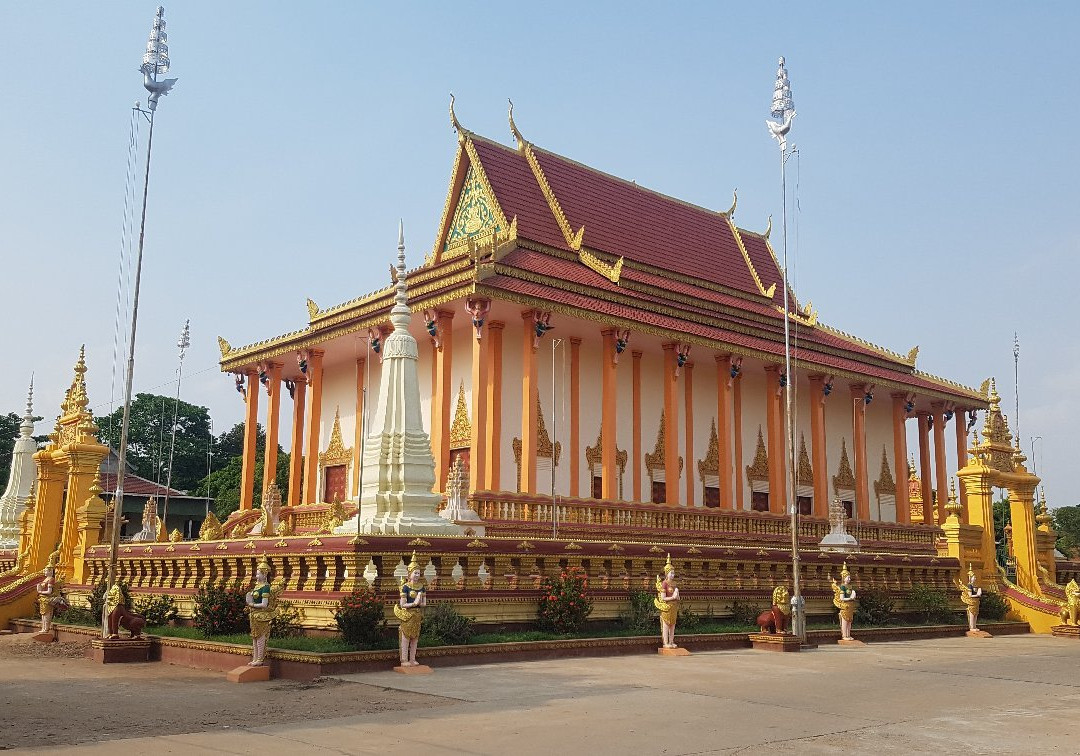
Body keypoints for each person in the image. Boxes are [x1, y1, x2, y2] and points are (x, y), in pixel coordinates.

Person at [245, 555, 281, 666]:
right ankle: (255, 658)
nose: (256, 576)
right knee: (254, 637)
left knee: (260, 637)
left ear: (265, 574)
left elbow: (264, 604)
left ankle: (260, 659)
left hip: (261, 615)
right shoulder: (257, 587)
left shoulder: (266, 587)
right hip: (254, 615)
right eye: (256, 573)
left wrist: (251, 604)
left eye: (258, 574)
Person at [393, 551, 427, 666]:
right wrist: (413, 604)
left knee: (415, 638)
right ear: (409, 573)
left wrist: (419, 601)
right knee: (406, 637)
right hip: (408, 615)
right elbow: (402, 604)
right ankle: (404, 659)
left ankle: (412, 659)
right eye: (415, 573)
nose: (417, 575)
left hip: (417, 615)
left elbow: (424, 603)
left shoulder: (422, 587)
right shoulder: (405, 587)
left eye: (418, 573)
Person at [653, 554, 681, 649]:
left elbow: (677, 596)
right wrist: (673, 598)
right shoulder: (664, 583)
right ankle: (665, 642)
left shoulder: (674, 583)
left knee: (673, 625)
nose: (673, 575)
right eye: (671, 573)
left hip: (674, 607)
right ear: (666, 573)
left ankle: (671, 641)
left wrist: (677, 595)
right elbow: (663, 598)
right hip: (667, 607)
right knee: (666, 625)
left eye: (673, 573)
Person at [36, 550, 63, 634]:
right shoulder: (46, 579)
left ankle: (46, 629)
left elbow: (49, 591)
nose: (44, 572)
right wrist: (39, 586)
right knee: (43, 615)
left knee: (47, 615)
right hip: (43, 599)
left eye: (46, 571)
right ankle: (43, 628)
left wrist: (40, 591)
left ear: (50, 571)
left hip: (47, 599)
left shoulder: (51, 579)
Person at [831, 562, 858, 641]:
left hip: (850, 606)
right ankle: (844, 635)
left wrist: (853, 594)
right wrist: (849, 599)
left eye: (849, 577)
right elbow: (842, 598)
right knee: (845, 621)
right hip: (845, 605)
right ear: (843, 577)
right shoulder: (842, 587)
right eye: (847, 577)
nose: (849, 579)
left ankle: (848, 634)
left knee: (849, 621)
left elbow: (851, 594)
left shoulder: (850, 586)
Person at [958, 565, 983, 632]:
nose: (975, 578)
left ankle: (975, 626)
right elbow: (970, 595)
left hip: (976, 602)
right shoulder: (969, 586)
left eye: (975, 577)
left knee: (976, 614)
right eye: (973, 577)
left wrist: (979, 591)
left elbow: (978, 592)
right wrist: (977, 595)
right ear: (970, 578)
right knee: (972, 614)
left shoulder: (976, 585)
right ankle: (972, 627)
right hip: (972, 602)